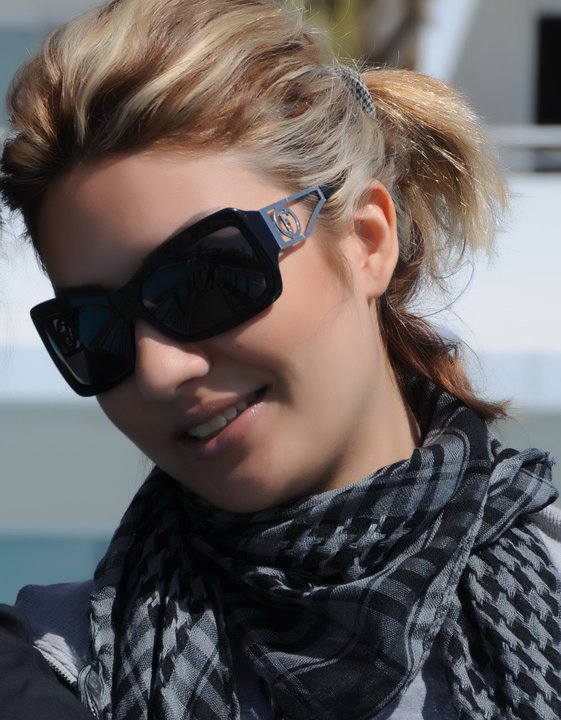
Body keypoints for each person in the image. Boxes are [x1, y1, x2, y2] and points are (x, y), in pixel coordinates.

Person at [1, 1, 560, 718]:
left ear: (366, 242)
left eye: (205, 280)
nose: (160, 371)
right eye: (94, 329)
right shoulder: (52, 671)